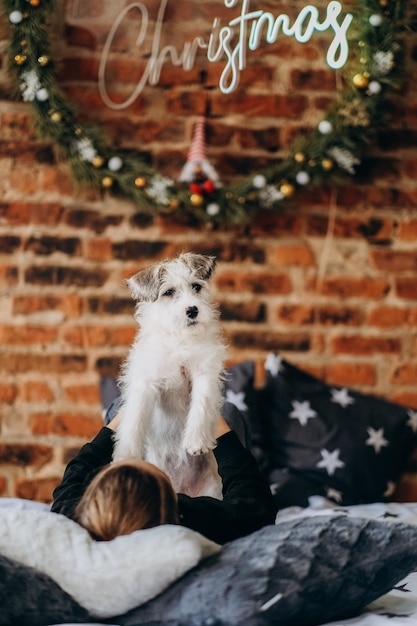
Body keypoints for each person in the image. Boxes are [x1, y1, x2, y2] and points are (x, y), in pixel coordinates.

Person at [51, 403, 277, 545]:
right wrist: (209, 415)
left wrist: (128, 411)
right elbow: (255, 505)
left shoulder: (80, 517)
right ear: (171, 496)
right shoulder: (186, 518)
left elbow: (75, 477)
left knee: (117, 406)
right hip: (206, 480)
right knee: (228, 411)